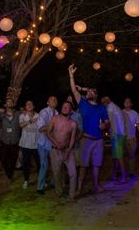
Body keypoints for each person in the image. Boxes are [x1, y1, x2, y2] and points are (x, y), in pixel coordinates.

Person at [68, 64, 109, 194]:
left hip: (99, 141)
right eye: (88, 92)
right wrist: (71, 75)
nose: (89, 93)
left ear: (96, 94)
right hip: (86, 139)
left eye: (92, 92)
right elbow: (74, 90)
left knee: (96, 165)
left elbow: (107, 123)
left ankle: (96, 186)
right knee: (84, 166)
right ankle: (79, 188)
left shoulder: (101, 108)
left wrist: (105, 126)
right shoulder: (83, 103)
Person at [46, 101, 78, 198]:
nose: (66, 108)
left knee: (73, 173)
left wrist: (68, 151)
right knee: (56, 173)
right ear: (61, 108)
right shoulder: (55, 119)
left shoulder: (73, 123)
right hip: (55, 150)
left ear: (70, 110)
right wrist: (56, 143)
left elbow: (72, 139)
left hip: (67, 150)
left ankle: (71, 195)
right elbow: (48, 132)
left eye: (68, 107)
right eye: (64, 106)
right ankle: (58, 191)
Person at [101, 96, 128, 183]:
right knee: (116, 157)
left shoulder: (110, 108)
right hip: (119, 134)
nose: (103, 105)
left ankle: (124, 177)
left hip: (117, 135)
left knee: (119, 157)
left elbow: (108, 123)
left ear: (107, 101)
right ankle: (114, 175)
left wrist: (100, 126)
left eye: (103, 102)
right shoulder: (115, 107)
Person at [36, 96, 58, 195]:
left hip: (53, 143)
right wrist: (52, 125)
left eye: (55, 100)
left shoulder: (57, 113)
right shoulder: (43, 112)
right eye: (52, 100)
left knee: (56, 164)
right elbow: (40, 128)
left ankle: (54, 183)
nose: (54, 101)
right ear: (47, 102)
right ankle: (40, 187)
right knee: (44, 165)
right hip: (43, 143)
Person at [0, 97, 21, 181]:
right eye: (8, 102)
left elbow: (24, 119)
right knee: (3, 160)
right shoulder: (2, 114)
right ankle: (8, 172)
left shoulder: (18, 113)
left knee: (14, 159)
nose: (9, 103)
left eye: (11, 102)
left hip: (15, 141)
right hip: (5, 141)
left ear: (13, 104)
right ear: (5, 104)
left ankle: (10, 174)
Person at [19, 100, 40, 189]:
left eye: (31, 104)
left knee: (39, 163)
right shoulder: (22, 115)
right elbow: (21, 125)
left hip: (36, 143)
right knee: (26, 163)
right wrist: (30, 121)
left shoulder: (38, 115)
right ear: (25, 107)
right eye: (27, 104)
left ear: (34, 106)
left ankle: (40, 179)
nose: (29, 105)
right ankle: (26, 181)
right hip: (25, 143)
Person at [123, 98, 139, 177]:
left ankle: (131, 171)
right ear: (124, 103)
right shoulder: (120, 112)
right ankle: (122, 170)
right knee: (123, 155)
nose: (127, 102)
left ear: (131, 104)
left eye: (129, 101)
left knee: (132, 155)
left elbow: (138, 125)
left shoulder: (135, 113)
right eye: (126, 101)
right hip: (123, 137)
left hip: (132, 137)